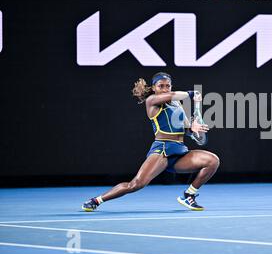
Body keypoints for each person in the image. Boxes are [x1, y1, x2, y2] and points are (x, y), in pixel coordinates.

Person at [82, 73, 220, 212]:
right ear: (154, 88)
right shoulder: (151, 101)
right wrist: (191, 93)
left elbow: (185, 129)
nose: (165, 89)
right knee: (135, 184)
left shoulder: (177, 104)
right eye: (161, 86)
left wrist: (192, 129)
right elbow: (171, 95)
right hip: (162, 151)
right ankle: (96, 200)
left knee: (212, 161)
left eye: (168, 86)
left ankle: (188, 195)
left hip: (179, 152)